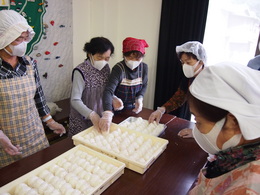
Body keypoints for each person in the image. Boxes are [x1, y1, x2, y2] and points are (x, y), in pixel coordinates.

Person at [0, 10, 65, 168]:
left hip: (34, 133)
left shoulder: (29, 64)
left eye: (24, 38)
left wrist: (49, 121)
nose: (23, 43)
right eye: (17, 39)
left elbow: (38, 97)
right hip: (6, 141)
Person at [188, 62, 260, 194]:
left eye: (198, 121)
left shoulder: (247, 187)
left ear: (232, 121)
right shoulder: (235, 157)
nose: (196, 129)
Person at [148, 41, 207, 138]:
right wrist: (161, 110)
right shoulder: (189, 77)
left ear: (201, 61)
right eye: (183, 63)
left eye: (188, 62)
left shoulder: (209, 80)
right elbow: (179, 97)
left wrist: (197, 132)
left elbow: (212, 113)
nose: (185, 66)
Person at [68, 37, 118, 136]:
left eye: (107, 58)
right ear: (89, 54)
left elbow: (106, 90)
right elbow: (75, 100)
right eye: (100, 57)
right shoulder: (80, 71)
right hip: (82, 117)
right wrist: (91, 114)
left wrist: (114, 98)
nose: (103, 61)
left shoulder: (106, 68)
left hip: (100, 114)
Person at [100, 37, 149, 132]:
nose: (134, 61)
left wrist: (140, 98)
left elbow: (144, 85)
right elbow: (109, 90)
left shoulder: (144, 68)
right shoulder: (118, 69)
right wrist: (108, 112)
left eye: (137, 58)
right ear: (124, 55)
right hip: (117, 108)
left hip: (133, 108)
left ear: (142, 57)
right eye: (130, 57)